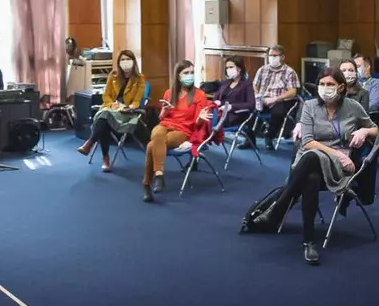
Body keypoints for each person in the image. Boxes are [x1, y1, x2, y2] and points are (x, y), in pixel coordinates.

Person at [251, 68, 377, 265]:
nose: (325, 88)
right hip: (319, 158)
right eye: (322, 84)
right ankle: (308, 242)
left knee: (310, 163)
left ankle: (278, 209)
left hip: (339, 166)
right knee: (311, 173)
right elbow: (308, 141)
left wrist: (364, 130)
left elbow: (376, 130)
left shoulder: (352, 106)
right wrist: (335, 153)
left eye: (330, 85)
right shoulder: (309, 106)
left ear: (341, 87)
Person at [143, 60, 210, 202]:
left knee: (151, 145)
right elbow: (161, 118)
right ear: (178, 76)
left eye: (192, 72)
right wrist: (165, 110)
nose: (189, 75)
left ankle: (147, 184)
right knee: (157, 133)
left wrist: (200, 118)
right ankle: (159, 175)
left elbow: (196, 125)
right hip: (165, 125)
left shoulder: (199, 95)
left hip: (183, 131)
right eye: (186, 73)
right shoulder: (169, 93)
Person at [77, 50, 146, 172]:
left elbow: (137, 100)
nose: (125, 62)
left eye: (128, 59)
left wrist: (130, 107)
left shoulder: (139, 79)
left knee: (103, 118)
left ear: (133, 61)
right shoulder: (113, 76)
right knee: (105, 119)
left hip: (126, 112)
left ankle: (93, 146)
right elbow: (106, 96)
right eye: (122, 60)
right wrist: (112, 104)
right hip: (111, 108)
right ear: (119, 63)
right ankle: (104, 157)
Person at [253, 45, 300, 149]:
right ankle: (250, 139)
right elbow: (255, 84)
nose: (272, 58)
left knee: (278, 113)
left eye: (275, 55)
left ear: (282, 57)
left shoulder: (289, 72)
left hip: (280, 100)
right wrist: (258, 96)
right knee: (248, 109)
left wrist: (275, 99)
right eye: (270, 55)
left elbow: (293, 91)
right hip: (263, 98)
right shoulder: (262, 69)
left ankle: (269, 137)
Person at [213, 56, 256, 149]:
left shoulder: (247, 84)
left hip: (235, 114)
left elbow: (251, 104)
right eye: (227, 68)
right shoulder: (225, 83)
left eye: (231, 67)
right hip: (220, 112)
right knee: (203, 117)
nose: (228, 70)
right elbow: (216, 96)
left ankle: (200, 142)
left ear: (239, 68)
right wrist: (217, 102)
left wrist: (231, 107)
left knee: (207, 122)